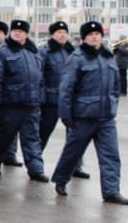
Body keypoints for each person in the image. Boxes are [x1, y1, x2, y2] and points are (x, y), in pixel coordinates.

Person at [52, 21, 128, 205]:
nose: (94, 36)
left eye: (97, 34)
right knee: (73, 153)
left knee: (111, 155)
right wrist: (66, 115)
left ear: (102, 36)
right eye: (90, 34)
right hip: (83, 117)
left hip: (105, 118)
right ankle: (61, 180)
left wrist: (112, 106)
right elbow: (66, 88)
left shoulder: (108, 57)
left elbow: (116, 86)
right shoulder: (77, 58)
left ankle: (111, 191)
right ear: (84, 38)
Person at [0, 20, 48, 182]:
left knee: (32, 138)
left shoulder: (33, 51)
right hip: (11, 103)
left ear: (26, 34)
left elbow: (40, 77)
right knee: (4, 137)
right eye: (14, 30)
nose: (17, 33)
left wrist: (41, 97)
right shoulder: (3, 52)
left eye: (20, 31)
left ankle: (36, 169)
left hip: (31, 104)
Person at [39, 21, 90, 179]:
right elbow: (39, 77)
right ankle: (35, 165)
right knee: (43, 133)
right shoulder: (45, 52)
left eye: (64, 32)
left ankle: (75, 166)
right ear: (52, 34)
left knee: (75, 137)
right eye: (58, 32)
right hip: (51, 100)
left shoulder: (73, 52)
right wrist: (42, 97)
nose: (62, 34)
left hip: (71, 101)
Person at [0, 20, 22, 168]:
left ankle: (9, 155)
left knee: (11, 129)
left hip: (10, 96)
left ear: (5, 34)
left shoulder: (12, 49)